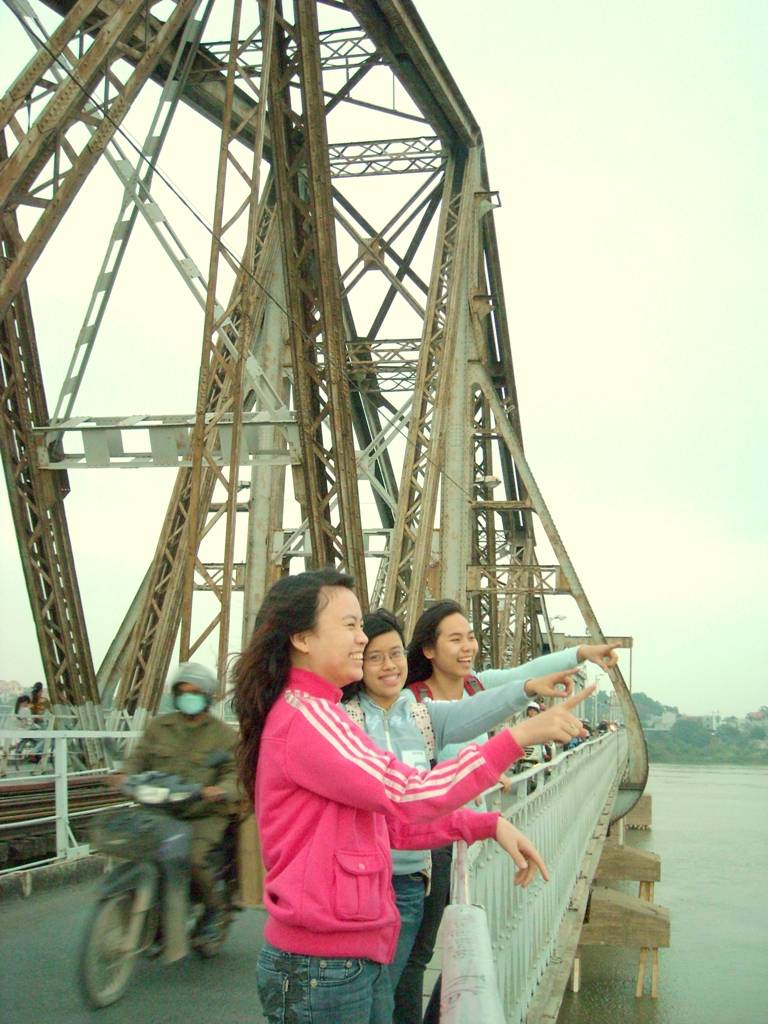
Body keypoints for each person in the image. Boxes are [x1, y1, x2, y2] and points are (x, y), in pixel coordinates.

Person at [232, 568, 593, 1024]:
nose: (362, 639)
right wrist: (517, 738)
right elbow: (408, 794)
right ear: (302, 637)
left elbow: (390, 824)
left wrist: (482, 823)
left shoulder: (320, 713)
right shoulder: (309, 718)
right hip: (321, 967)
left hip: (331, 960)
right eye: (350, 625)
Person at [397, 600, 621, 1024]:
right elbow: (412, 771)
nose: (468, 647)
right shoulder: (412, 702)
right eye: (455, 639)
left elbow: (526, 676)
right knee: (422, 953)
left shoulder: (478, 687)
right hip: (434, 839)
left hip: (474, 835)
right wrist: (483, 764)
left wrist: (581, 653)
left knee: (458, 942)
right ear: (428, 649)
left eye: (471, 637)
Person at [341, 608, 579, 993]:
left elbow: (475, 710)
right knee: (375, 992)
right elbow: (402, 805)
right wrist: (487, 815)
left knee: (395, 986)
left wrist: (529, 689)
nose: (389, 665)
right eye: (376, 657)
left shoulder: (418, 715)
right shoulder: (344, 722)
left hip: (413, 879)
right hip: (364, 885)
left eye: (396, 654)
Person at [115, 662, 238, 941]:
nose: (188, 696)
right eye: (183, 691)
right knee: (138, 849)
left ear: (207, 696)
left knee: (194, 860)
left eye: (195, 692)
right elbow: (140, 756)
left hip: (202, 814)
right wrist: (124, 775)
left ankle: (212, 910)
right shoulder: (159, 727)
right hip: (162, 810)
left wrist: (219, 790)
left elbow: (235, 773)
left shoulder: (223, 735)